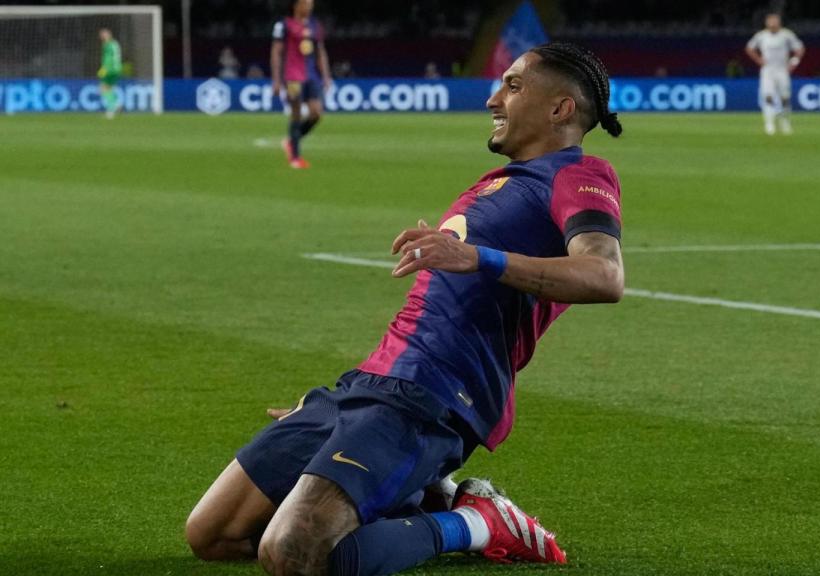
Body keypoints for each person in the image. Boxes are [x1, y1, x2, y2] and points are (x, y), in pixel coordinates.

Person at [185, 41, 625, 576]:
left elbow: (604, 275)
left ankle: (479, 522)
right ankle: (428, 493)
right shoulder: (498, 184)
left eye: (512, 86)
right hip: (369, 386)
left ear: (560, 109)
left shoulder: (579, 175)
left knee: (293, 554)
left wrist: (476, 256)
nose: (493, 99)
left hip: (434, 396)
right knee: (213, 535)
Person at [271, 0, 332, 170]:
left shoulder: (315, 25)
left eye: (311, 3)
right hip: (292, 77)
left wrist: (326, 76)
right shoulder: (284, 25)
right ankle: (295, 158)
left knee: (317, 113)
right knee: (296, 114)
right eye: (305, 3)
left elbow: (320, 51)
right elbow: (276, 52)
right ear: (296, 5)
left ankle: (291, 141)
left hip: (312, 76)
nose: (309, 6)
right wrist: (276, 80)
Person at [745, 13, 804, 135]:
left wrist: (794, 61)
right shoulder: (761, 36)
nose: (772, 24)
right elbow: (749, 48)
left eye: (774, 21)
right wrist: (759, 60)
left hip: (782, 70)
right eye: (770, 21)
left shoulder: (786, 35)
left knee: (785, 98)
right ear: (766, 23)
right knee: (768, 96)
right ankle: (769, 123)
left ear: (779, 22)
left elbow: (800, 48)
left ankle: (785, 122)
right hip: (767, 70)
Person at [96, 28, 122, 119]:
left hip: (110, 69)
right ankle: (116, 105)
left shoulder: (108, 45)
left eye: (104, 34)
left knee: (102, 88)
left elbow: (108, 59)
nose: (102, 36)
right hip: (116, 69)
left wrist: (103, 70)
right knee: (109, 89)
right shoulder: (115, 43)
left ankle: (112, 109)